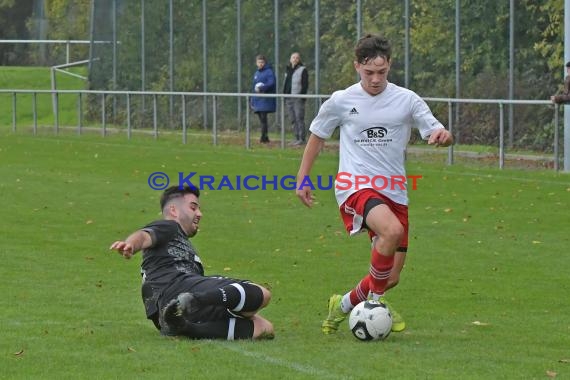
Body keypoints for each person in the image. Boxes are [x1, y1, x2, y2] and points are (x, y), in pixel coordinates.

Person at [295, 34, 453, 335]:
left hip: (394, 190)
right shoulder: (342, 100)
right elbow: (317, 136)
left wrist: (443, 137)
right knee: (391, 231)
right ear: (357, 66)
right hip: (355, 185)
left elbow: (437, 130)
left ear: (389, 65)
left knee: (390, 276)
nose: (376, 78)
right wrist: (302, 178)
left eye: (382, 72)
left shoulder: (407, 99)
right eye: (369, 72)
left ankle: (342, 305)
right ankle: (375, 305)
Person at [109, 185, 274, 340]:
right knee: (262, 293)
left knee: (264, 327)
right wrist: (131, 245)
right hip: (177, 287)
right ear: (173, 210)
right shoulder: (169, 227)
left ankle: (183, 327)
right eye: (193, 207)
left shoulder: (179, 242)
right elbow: (144, 235)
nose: (199, 213)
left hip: (167, 309)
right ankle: (194, 301)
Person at [283, 52, 309, 146]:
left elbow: (305, 85)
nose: (295, 59)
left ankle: (302, 139)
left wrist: (302, 96)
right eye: (293, 57)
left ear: (299, 60)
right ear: (290, 59)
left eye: (297, 58)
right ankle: (296, 137)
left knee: (299, 118)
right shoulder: (288, 70)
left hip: (298, 98)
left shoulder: (303, 70)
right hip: (288, 98)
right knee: (292, 119)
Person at [251, 54, 277, 143]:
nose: (260, 64)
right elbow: (253, 88)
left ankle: (264, 137)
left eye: (262, 62)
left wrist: (262, 88)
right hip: (258, 100)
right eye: (259, 62)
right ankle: (265, 137)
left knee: (263, 118)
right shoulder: (256, 73)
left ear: (265, 63)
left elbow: (271, 83)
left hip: (266, 99)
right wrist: (252, 100)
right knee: (261, 119)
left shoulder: (269, 72)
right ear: (256, 63)